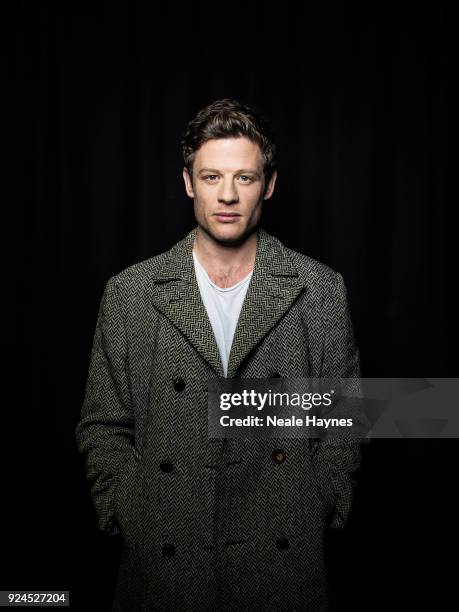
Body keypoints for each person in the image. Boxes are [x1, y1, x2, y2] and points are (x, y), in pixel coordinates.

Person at [75, 98, 364, 611]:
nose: (227, 195)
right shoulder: (130, 294)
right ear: (189, 182)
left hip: (283, 564)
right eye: (211, 177)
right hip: (163, 562)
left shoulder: (319, 290)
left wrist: (314, 505)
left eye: (245, 179)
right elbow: (103, 426)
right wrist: (133, 512)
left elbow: (347, 419)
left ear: (269, 185)